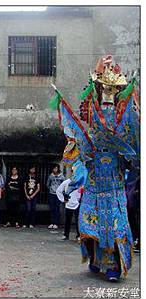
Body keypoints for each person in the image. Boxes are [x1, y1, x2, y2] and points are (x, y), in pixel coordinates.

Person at [49, 56, 140, 281]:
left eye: (112, 91)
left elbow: (133, 157)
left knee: (114, 229)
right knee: (88, 227)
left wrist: (129, 154)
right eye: (103, 90)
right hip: (93, 186)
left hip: (114, 188)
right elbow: (79, 152)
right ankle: (95, 260)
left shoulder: (126, 123)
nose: (107, 95)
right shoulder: (91, 122)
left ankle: (115, 267)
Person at [56, 173, 81, 241]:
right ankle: (66, 235)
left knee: (78, 220)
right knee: (67, 220)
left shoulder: (80, 182)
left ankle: (79, 235)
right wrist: (63, 199)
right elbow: (58, 190)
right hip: (68, 203)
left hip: (78, 204)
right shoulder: (66, 182)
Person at [46, 164, 65, 229]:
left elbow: (64, 184)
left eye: (56, 168)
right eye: (54, 168)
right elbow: (48, 184)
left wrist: (60, 191)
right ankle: (52, 222)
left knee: (57, 208)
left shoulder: (62, 176)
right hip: (52, 193)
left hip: (58, 194)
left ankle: (56, 223)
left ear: (58, 169)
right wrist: (51, 189)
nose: (55, 170)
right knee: (52, 208)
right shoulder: (50, 176)